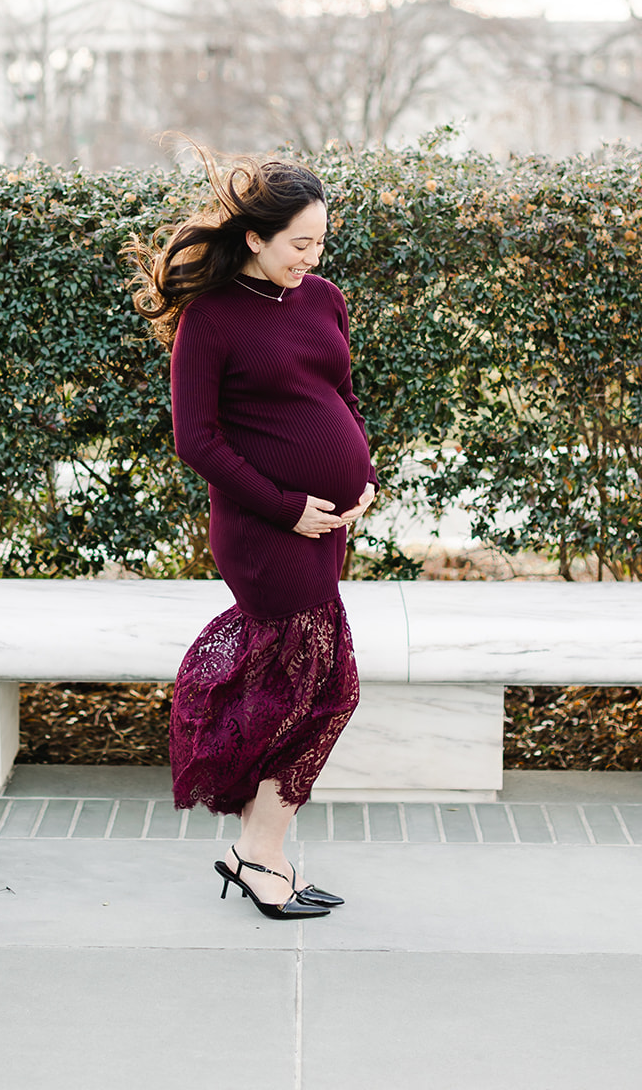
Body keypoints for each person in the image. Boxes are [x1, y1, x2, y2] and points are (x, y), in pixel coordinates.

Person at [130, 149, 377, 921]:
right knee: (326, 687)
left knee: (306, 684)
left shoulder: (322, 298)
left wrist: (362, 475)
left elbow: (338, 391)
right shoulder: (210, 320)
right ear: (254, 240)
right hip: (265, 530)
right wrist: (283, 506)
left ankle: (257, 847)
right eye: (299, 243)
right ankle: (255, 849)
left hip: (324, 525)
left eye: (320, 243)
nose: (313, 257)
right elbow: (195, 441)